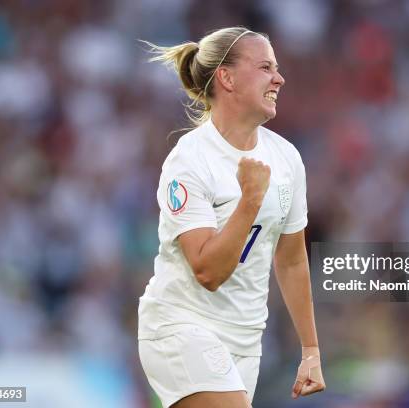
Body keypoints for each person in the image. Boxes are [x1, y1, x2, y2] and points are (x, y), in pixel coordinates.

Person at [137, 26, 325, 408]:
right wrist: (249, 201)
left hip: (245, 341)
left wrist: (311, 349)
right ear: (226, 77)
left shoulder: (286, 158)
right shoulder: (189, 161)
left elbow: (290, 260)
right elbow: (208, 272)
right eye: (265, 67)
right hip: (181, 327)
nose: (279, 77)